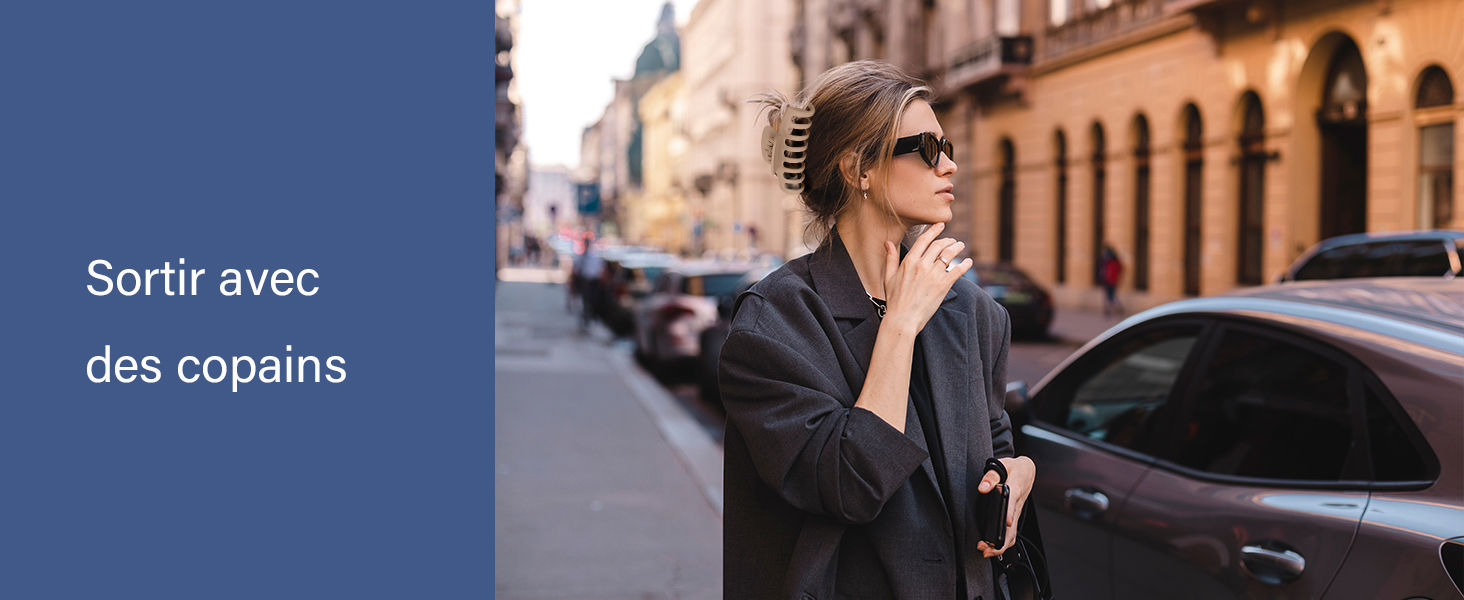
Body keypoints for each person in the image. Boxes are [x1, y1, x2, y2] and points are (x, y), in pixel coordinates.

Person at [718, 60, 1036, 600]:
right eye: (928, 149)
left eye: (947, 147)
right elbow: (850, 484)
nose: (950, 165)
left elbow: (994, 440)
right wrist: (900, 326)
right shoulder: (773, 323)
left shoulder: (973, 311)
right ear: (858, 168)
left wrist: (1017, 472)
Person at [1100, 244, 1123, 318]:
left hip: (1109, 281)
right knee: (1111, 295)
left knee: (1109, 296)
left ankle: (1111, 309)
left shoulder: (1108, 262)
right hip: (1112, 280)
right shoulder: (1114, 261)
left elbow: (1106, 272)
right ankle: (1113, 308)